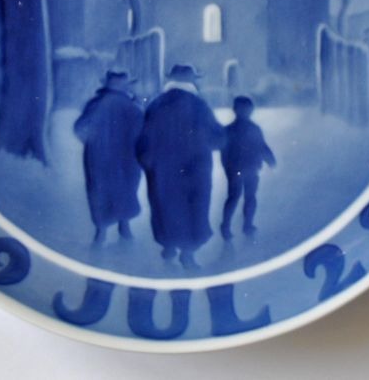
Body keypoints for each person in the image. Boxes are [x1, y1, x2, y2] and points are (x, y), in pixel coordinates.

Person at [136, 64, 225, 269]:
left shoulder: (156, 105)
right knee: (193, 207)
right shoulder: (199, 105)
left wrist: (148, 162)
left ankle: (168, 244)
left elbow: (143, 140)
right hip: (195, 168)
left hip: (163, 169)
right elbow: (217, 138)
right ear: (191, 81)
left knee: (165, 206)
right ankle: (188, 253)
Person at [74, 70, 143, 245]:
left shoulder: (96, 104)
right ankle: (124, 227)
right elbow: (143, 131)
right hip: (126, 158)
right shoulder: (131, 107)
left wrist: (93, 145)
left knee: (100, 192)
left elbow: (80, 129)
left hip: (100, 158)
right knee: (125, 190)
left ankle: (101, 232)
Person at [220, 96, 276, 240]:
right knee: (235, 196)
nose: (245, 112)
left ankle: (247, 224)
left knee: (250, 197)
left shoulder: (253, 129)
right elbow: (224, 152)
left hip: (251, 167)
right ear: (235, 110)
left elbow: (262, 146)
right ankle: (226, 225)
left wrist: (270, 159)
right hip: (236, 169)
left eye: (247, 109)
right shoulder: (229, 130)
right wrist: (228, 167)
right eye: (242, 109)